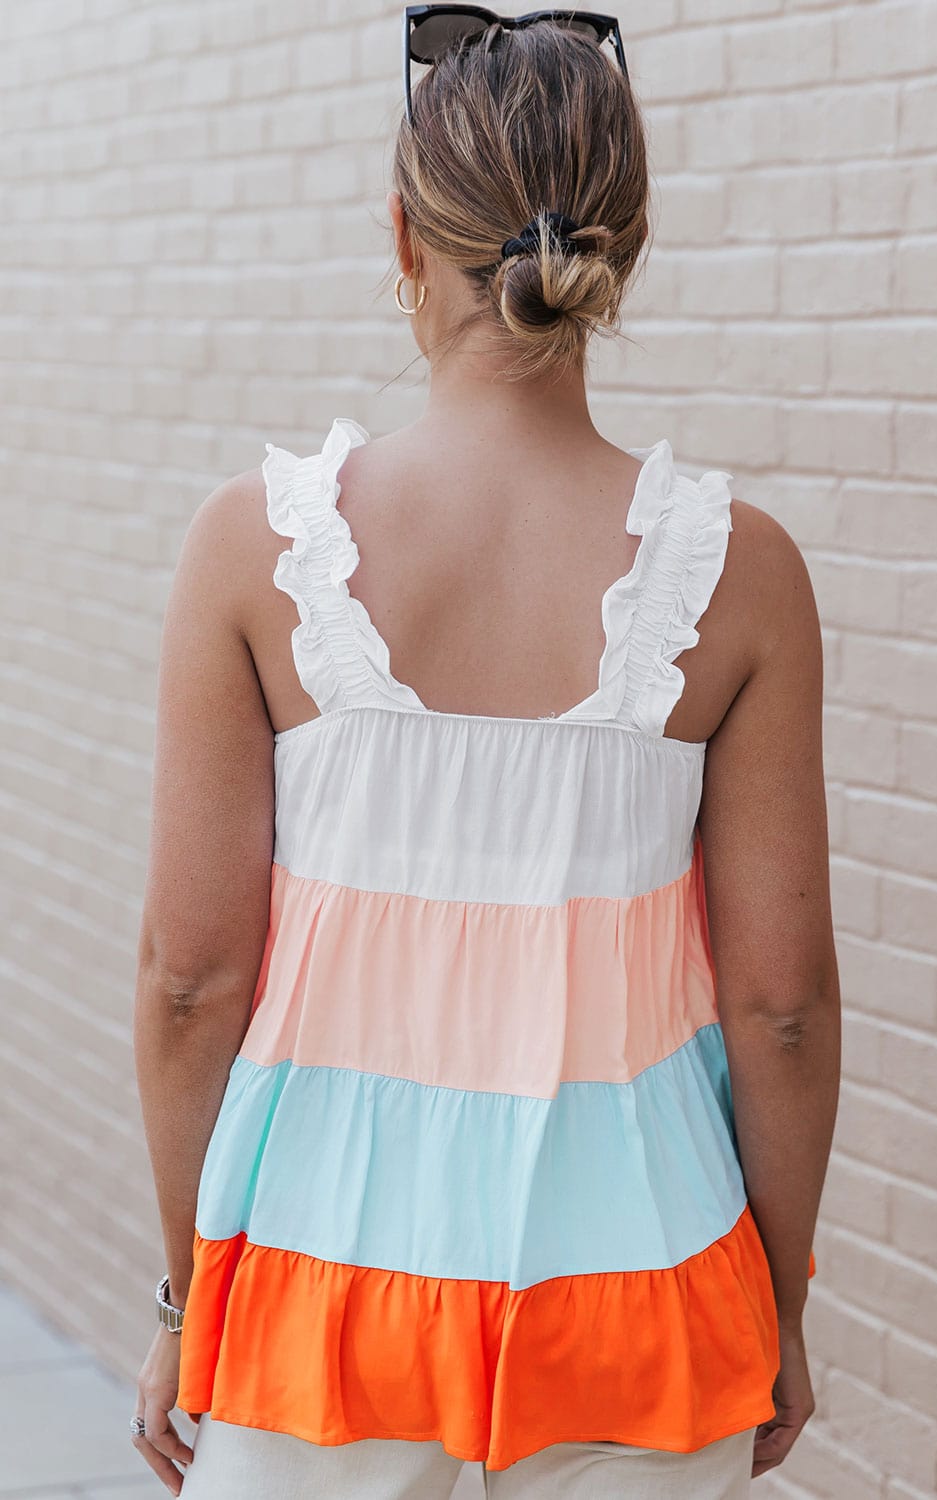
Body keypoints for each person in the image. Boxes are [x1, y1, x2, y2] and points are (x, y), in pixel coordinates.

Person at [130, 10, 840, 1498]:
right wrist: (774, 1307)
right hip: (645, 1285)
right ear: (622, 248)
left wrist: (188, 1301)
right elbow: (780, 1007)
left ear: (403, 236)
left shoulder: (254, 550)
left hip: (320, 1288)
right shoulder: (742, 572)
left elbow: (190, 981)